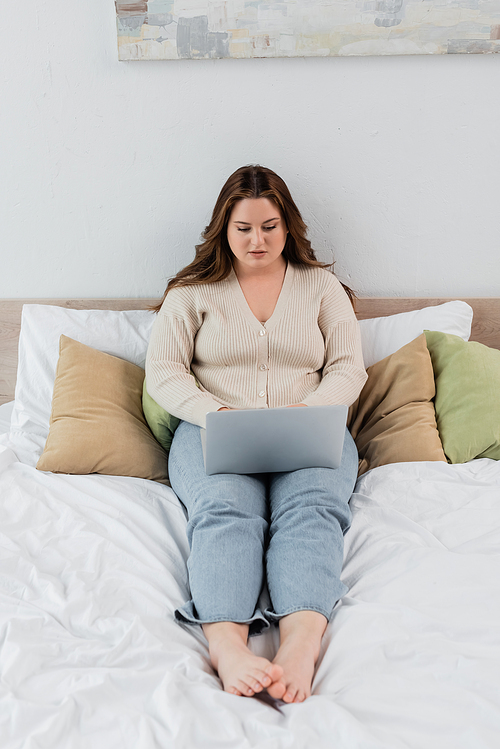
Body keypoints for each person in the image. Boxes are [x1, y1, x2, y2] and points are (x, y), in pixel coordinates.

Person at [145, 165, 367, 704]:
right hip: (211, 429)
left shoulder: (321, 287)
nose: (257, 240)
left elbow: (348, 368)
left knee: (312, 509)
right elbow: (165, 372)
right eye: (244, 228)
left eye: (269, 226)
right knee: (224, 509)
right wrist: (215, 410)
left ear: (288, 226)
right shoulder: (191, 292)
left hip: (310, 426)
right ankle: (227, 645)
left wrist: (307, 408)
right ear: (224, 228)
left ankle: (300, 643)